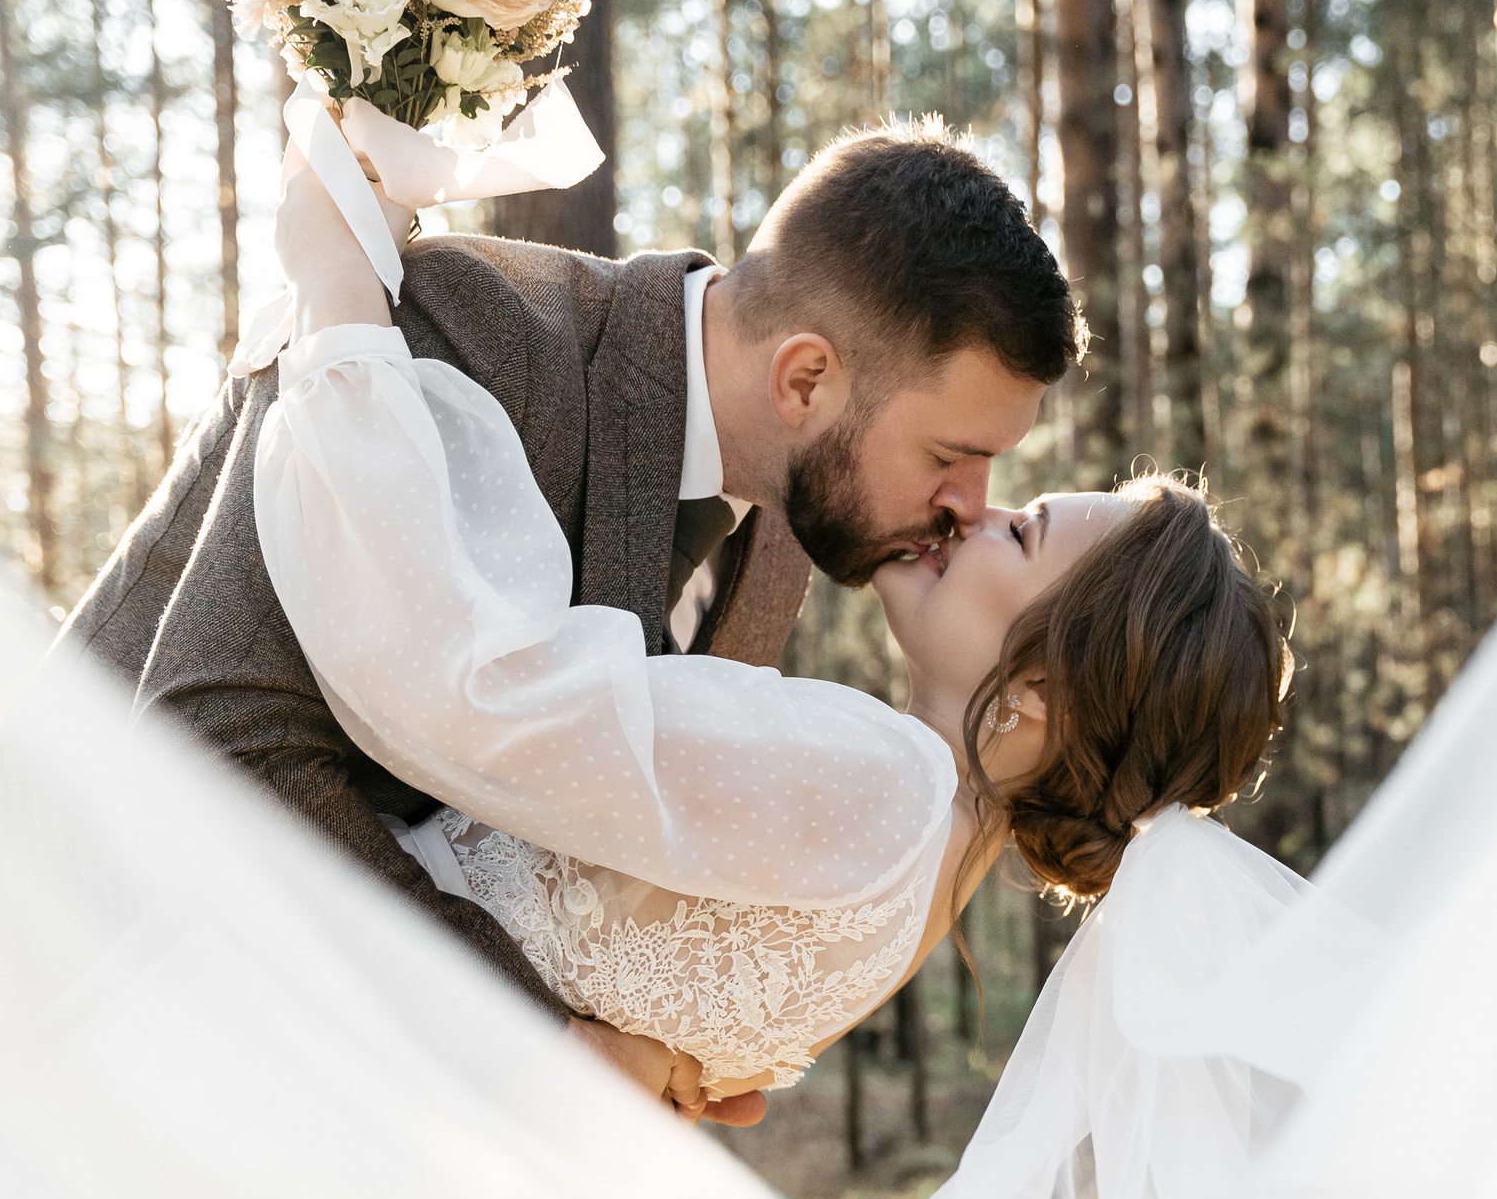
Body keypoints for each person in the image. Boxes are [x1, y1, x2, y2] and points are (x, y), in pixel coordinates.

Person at [12, 117, 1087, 1127]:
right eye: (951, 456)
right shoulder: (458, 327)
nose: (971, 505)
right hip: (68, 1022)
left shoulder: (779, 540)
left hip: (339, 1133)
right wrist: (543, 1045)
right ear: (804, 378)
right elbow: (215, 744)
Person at [257, 141, 1290, 1117]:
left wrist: (338, 315)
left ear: (1042, 695)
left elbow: (491, 696)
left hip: (287, 1038)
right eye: (971, 477)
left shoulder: (885, 785)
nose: (969, 511)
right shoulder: (921, 895)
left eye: (1020, 534)